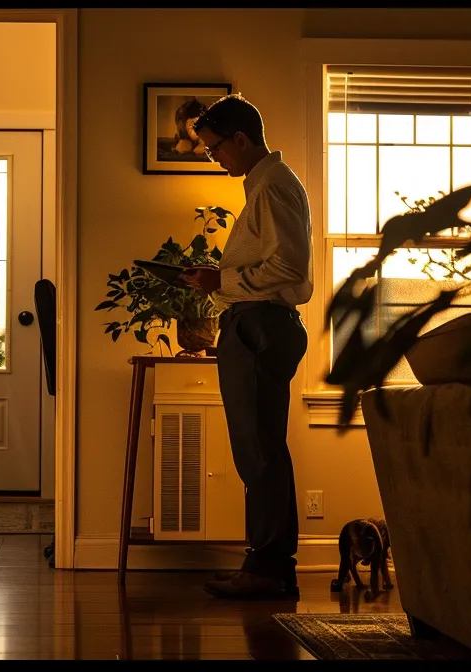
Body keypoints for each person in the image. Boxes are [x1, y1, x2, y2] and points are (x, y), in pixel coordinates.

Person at [180, 94, 313, 600]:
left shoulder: (273, 187)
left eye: (216, 148)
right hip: (253, 322)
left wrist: (221, 278)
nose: (215, 158)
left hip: (259, 325)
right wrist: (219, 282)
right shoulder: (264, 186)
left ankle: (268, 567)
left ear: (241, 138)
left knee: (258, 453)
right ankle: (269, 565)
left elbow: (288, 269)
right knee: (259, 451)